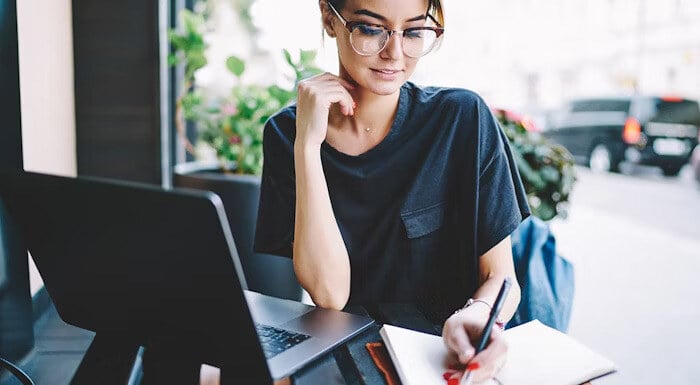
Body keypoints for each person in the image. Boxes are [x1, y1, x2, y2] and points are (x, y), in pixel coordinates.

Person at [253, 0, 531, 383]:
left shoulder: (461, 119)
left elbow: (501, 278)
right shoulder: (287, 134)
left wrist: (479, 313)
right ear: (328, 18)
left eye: (415, 32)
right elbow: (330, 295)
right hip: (347, 364)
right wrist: (307, 147)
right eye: (370, 29)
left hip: (442, 361)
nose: (394, 54)